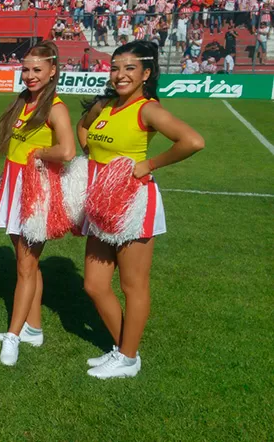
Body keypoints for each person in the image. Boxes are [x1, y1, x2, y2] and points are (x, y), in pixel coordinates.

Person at [76, 41, 204, 379]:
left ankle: (128, 358)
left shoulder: (147, 109)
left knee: (134, 286)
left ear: (146, 74)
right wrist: (89, 152)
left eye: (129, 68)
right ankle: (123, 350)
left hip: (133, 205)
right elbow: (83, 126)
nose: (120, 75)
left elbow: (192, 141)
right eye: (116, 67)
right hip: (99, 205)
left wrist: (148, 164)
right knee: (94, 284)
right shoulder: (105, 106)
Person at [0, 42, 76, 366]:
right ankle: (33, 328)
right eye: (25, 69)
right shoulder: (25, 101)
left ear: (52, 71)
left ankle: (13, 336)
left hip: (35, 192)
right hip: (14, 186)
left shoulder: (55, 107)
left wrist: (39, 153)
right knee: (26, 263)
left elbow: (67, 151)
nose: (29, 75)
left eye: (37, 70)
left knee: (25, 267)